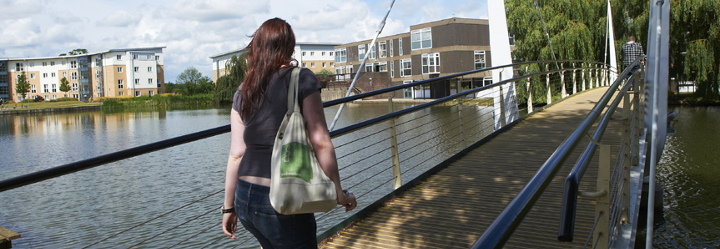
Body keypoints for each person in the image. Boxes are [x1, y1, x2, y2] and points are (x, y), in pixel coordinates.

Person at [222, 18, 357, 249]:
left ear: (257, 48)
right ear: (289, 47)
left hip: (245, 198)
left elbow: (236, 153)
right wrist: (338, 192)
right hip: (283, 198)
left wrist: (228, 208)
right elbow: (320, 141)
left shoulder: (243, 89)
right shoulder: (301, 78)